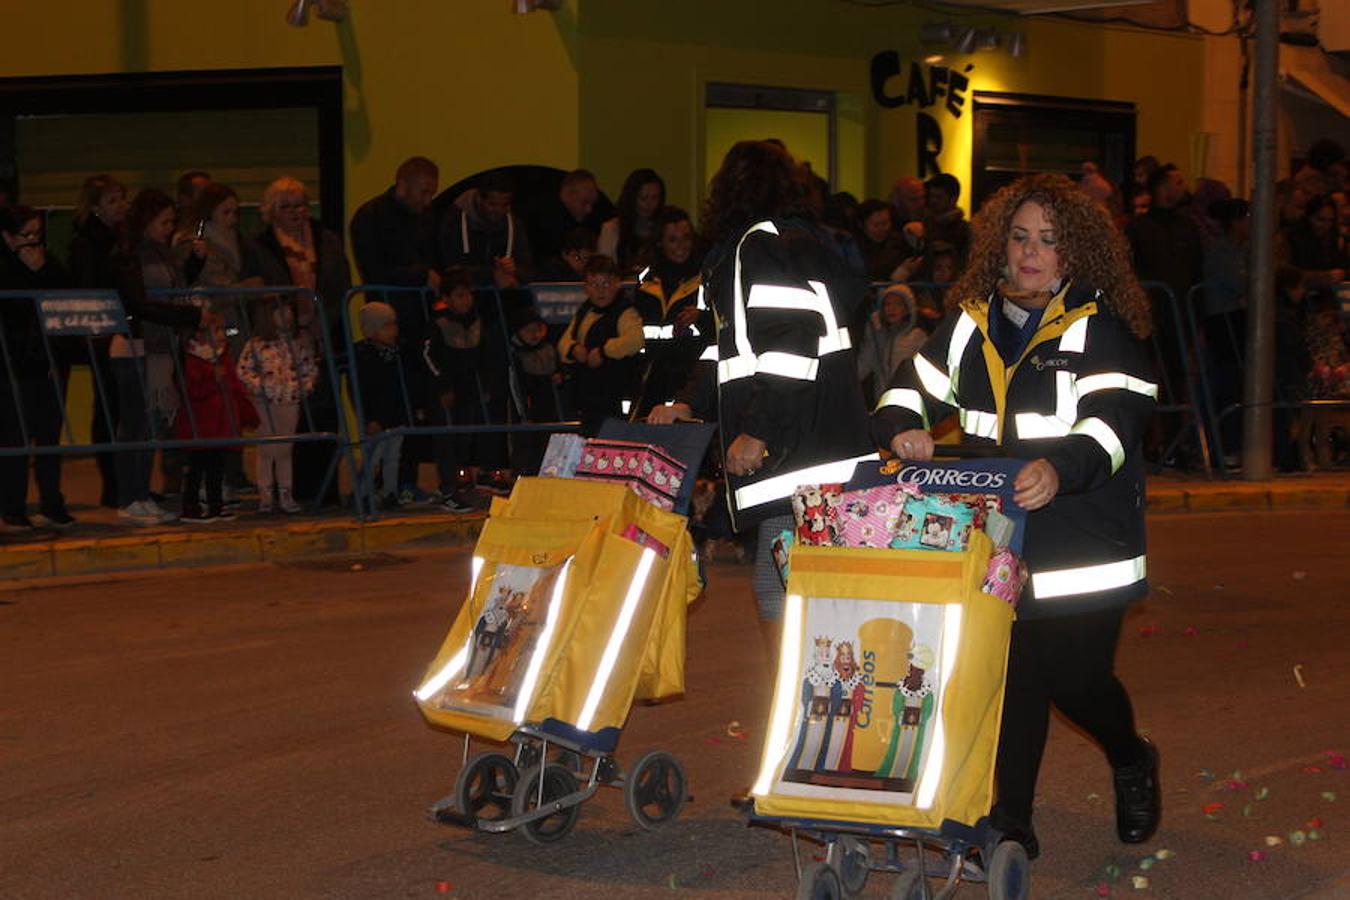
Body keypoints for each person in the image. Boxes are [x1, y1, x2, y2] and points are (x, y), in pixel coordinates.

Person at [872, 172, 1160, 859]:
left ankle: (1130, 755)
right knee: (1022, 669)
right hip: (1002, 534)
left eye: (1049, 241)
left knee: (1077, 679)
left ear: (1076, 254)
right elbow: (905, 393)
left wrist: (1060, 467)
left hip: (1085, 538)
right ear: (1001, 246)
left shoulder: (1103, 327)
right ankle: (1011, 820)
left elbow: (1116, 426)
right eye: (1021, 237)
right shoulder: (971, 323)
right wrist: (903, 431)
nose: (1031, 253)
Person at [649, 140, 876, 654]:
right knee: (799, 586)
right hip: (819, 445)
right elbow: (733, 347)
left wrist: (759, 431)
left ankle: (803, 716)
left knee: (784, 588)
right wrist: (692, 402)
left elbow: (788, 346)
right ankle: (809, 713)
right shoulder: (784, 245)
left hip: (794, 451)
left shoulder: (758, 248)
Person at [252, 175, 352, 506]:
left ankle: (325, 490)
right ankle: (287, 492)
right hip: (282, 341)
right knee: (288, 419)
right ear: (271, 211)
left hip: (324, 336)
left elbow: (340, 283)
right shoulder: (260, 245)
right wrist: (292, 317)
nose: (296, 213)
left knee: (325, 414)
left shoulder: (326, 239)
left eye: (301, 205)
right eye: (287, 207)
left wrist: (321, 318)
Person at [0, 205, 74, 529]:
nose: (32, 242)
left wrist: (41, 271)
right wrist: (31, 273)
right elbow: (15, 308)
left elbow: (63, 296)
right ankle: (12, 506)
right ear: (7, 236)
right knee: (14, 438)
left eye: (37, 235)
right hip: (10, 363)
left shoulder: (47, 260)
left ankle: (52, 501)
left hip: (43, 361)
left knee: (48, 435)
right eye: (24, 235)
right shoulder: (4, 265)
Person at [129, 188, 200, 502]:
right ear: (146, 222)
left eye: (172, 222)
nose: (169, 228)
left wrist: (195, 266)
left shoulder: (164, 252)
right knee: (147, 420)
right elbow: (147, 300)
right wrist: (186, 315)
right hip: (151, 343)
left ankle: (151, 487)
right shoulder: (139, 254)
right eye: (164, 222)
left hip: (167, 343)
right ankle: (136, 492)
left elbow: (175, 286)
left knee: (160, 420)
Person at [68, 174, 131, 508]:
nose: (121, 206)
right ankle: (111, 483)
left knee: (125, 409)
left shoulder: (123, 239)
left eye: (122, 198)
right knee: (107, 409)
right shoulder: (87, 243)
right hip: (103, 333)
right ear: (94, 207)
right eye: (112, 200)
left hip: (121, 330)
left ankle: (126, 481)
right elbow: (86, 287)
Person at [236, 299, 317, 514]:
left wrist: (299, 388)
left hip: (289, 402)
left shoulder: (297, 344)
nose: (287, 314)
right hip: (263, 403)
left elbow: (309, 370)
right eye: (280, 311)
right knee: (265, 449)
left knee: (285, 449)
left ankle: (285, 492)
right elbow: (243, 371)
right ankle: (265, 493)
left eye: (288, 309)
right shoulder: (256, 345)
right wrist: (261, 387)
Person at [631, 206, 708, 417]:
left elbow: (723, 326)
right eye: (673, 240)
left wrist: (702, 318)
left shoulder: (707, 277)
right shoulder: (645, 281)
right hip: (651, 378)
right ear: (660, 242)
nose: (681, 246)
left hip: (690, 377)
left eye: (686, 238)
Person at [175, 312, 250, 522]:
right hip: (200, 425)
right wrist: (213, 381)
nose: (222, 335)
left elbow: (233, 384)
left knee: (217, 468)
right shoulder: (192, 360)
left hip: (220, 424)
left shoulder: (223, 357)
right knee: (198, 468)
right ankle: (190, 507)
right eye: (217, 330)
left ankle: (215, 505)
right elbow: (191, 391)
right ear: (201, 335)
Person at [420, 268, 484, 513]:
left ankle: (455, 484)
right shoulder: (438, 323)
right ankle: (448, 489)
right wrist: (443, 386)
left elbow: (480, 356)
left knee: (463, 440)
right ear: (446, 298)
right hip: (444, 392)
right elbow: (427, 356)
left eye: (468, 295)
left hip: (467, 390)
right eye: (459, 295)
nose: (465, 300)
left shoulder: (476, 321)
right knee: (445, 441)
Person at [557, 254, 644, 434]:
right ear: (586, 287)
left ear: (617, 284)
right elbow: (564, 342)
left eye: (606, 284)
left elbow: (635, 340)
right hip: (587, 397)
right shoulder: (584, 311)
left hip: (616, 395)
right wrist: (574, 349)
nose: (600, 291)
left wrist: (604, 351)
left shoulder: (625, 311)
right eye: (594, 285)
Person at [1201, 198, 1251, 463]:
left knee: (1238, 382)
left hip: (1236, 319)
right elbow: (1241, 283)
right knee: (1228, 383)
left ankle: (1236, 443)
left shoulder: (1239, 249)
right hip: (1224, 321)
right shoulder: (1222, 250)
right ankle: (1227, 445)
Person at [352, 302, 411, 510]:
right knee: (373, 456)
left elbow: (402, 385)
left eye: (394, 325)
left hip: (394, 413)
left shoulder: (397, 352)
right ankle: (363, 494)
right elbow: (360, 390)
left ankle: (389, 492)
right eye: (387, 326)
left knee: (393, 456)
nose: (393, 330)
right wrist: (369, 418)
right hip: (375, 417)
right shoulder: (363, 355)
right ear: (372, 330)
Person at [438, 170, 533, 289]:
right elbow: (451, 268)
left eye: (505, 205)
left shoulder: (515, 224)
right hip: (462, 300)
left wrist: (514, 271)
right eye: (492, 204)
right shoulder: (454, 220)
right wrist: (493, 275)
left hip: (501, 300)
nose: (499, 211)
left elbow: (528, 269)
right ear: (479, 199)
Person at [506, 305, 561, 476]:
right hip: (526, 411)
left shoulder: (548, 349)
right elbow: (516, 386)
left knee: (546, 444)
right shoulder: (515, 354)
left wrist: (559, 375)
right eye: (528, 331)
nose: (534, 335)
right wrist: (523, 413)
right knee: (524, 446)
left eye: (537, 330)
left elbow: (559, 368)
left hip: (548, 408)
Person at [855, 283, 926, 406]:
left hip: (909, 401)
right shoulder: (880, 337)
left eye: (898, 304)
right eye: (887, 304)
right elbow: (865, 362)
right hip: (883, 400)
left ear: (907, 308)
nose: (891, 308)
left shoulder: (917, 337)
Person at [528, 169, 608, 265]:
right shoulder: (541, 218)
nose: (589, 210)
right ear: (568, 193)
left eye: (592, 204)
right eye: (584, 203)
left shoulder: (592, 218)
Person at [598, 168, 666, 274]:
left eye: (654, 198)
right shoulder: (611, 229)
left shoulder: (664, 227)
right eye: (643, 198)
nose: (649, 204)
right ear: (632, 198)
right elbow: (602, 270)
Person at [1280, 193, 1347, 294]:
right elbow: (1289, 274)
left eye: (1330, 221)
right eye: (1320, 220)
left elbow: (1341, 266)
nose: (1326, 226)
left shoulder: (1333, 237)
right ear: (1309, 217)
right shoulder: (1293, 237)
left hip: (1325, 295)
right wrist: (1324, 276)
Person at [854, 199, 920, 283]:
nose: (882, 229)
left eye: (885, 223)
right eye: (876, 225)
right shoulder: (854, 247)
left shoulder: (899, 241)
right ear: (861, 225)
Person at [923, 173, 972, 266]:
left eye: (939, 197)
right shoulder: (923, 223)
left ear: (953, 199)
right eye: (931, 196)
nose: (933, 201)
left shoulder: (964, 230)